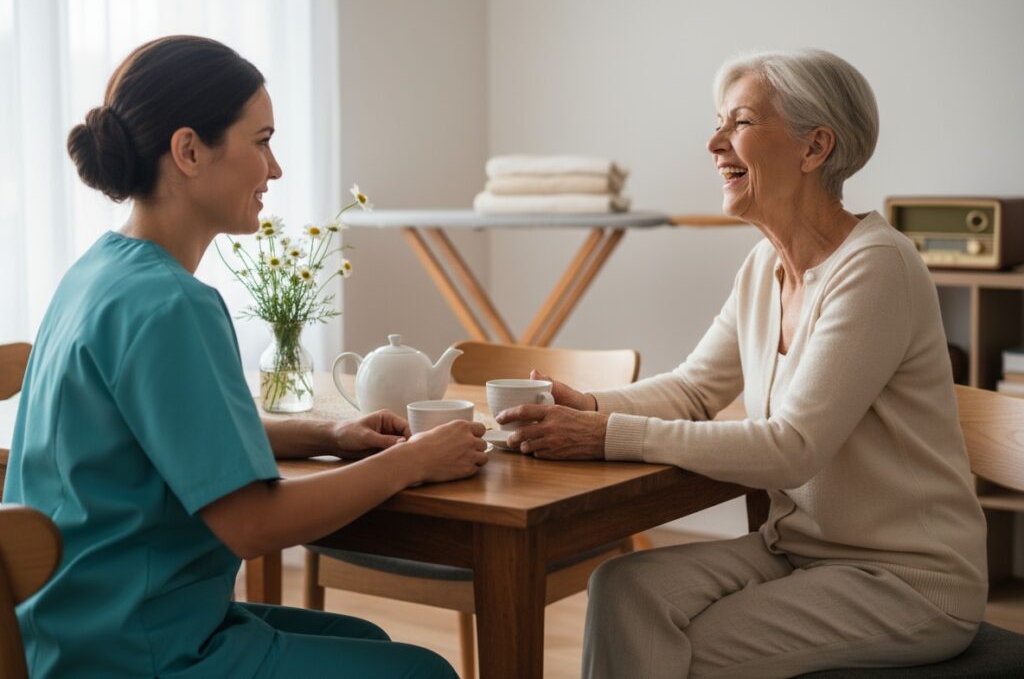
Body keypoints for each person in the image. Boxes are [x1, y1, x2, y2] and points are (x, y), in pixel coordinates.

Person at [4, 35, 488, 679]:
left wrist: (329, 434)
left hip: (70, 634)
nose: (276, 168)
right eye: (261, 141)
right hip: (141, 653)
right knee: (423, 672)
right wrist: (413, 461)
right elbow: (254, 525)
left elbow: (173, 437)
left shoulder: (96, 275)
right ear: (189, 150)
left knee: (369, 640)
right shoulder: (173, 304)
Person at [496, 49, 987, 677]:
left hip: (906, 579)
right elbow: (695, 388)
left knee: (680, 650)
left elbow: (793, 448)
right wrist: (589, 408)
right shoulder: (763, 268)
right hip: (797, 550)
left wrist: (608, 436)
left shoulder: (876, 267)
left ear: (815, 148)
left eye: (740, 123)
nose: (713, 142)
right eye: (718, 123)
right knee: (623, 589)